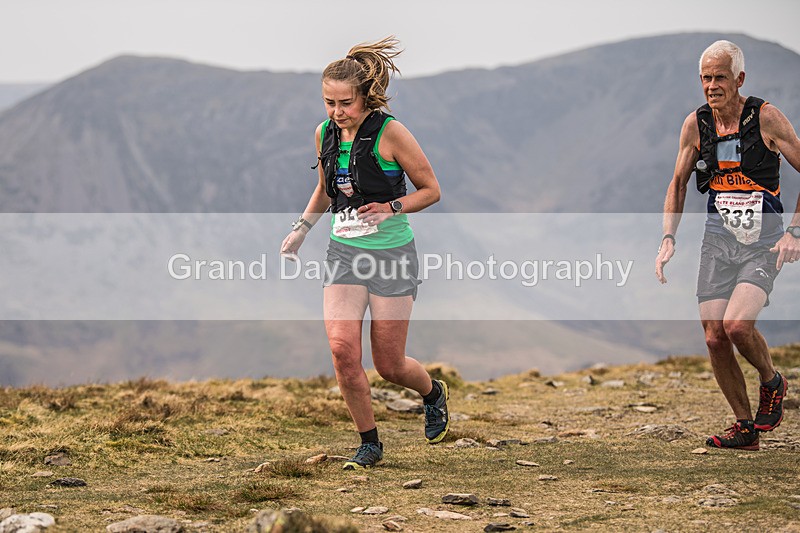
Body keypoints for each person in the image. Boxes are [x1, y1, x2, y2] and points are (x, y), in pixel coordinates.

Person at [280, 36, 448, 469]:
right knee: (341, 350)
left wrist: (392, 206)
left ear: (366, 97)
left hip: (393, 255)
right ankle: (369, 442)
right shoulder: (324, 133)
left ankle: (432, 393)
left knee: (390, 364)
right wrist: (301, 229)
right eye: (329, 102)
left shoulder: (392, 133)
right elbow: (323, 190)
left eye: (345, 103)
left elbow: (431, 191)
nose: (337, 112)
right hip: (344, 255)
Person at [656, 40, 800, 450]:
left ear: (739, 79)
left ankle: (772, 381)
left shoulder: (766, 118)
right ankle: (744, 428)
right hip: (718, 240)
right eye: (705, 77)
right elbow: (678, 183)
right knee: (714, 336)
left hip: (763, 243)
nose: (711, 86)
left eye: (720, 77)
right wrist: (668, 238)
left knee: (737, 326)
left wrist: (796, 231)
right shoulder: (695, 124)